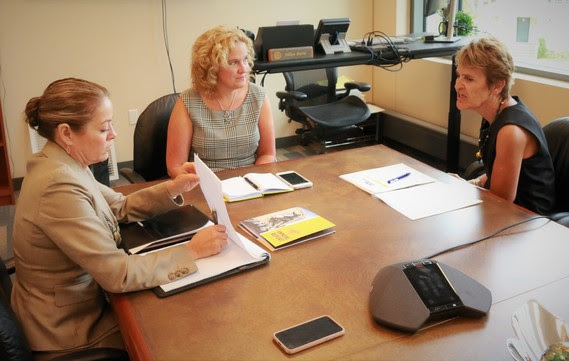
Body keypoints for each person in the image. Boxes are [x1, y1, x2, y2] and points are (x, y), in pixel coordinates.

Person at [11, 78, 228, 360]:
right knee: (185, 334)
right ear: (66, 133)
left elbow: (118, 206)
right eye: (103, 128)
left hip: (82, 299)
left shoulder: (62, 162)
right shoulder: (57, 186)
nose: (113, 134)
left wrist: (173, 187)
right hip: (71, 328)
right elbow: (118, 274)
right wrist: (192, 251)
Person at [455, 36, 555, 214]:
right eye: (459, 76)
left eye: (469, 79)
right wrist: (471, 183)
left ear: (497, 86)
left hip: (527, 224)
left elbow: (499, 204)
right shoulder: (496, 113)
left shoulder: (511, 131)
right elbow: (497, 173)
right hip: (505, 215)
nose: (458, 85)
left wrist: (462, 189)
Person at [166, 25, 276, 175]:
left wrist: (252, 180)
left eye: (245, 60)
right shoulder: (188, 102)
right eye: (233, 63)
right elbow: (176, 166)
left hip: (250, 183)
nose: (243, 69)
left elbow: (268, 155)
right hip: (204, 185)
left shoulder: (258, 96)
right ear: (211, 68)